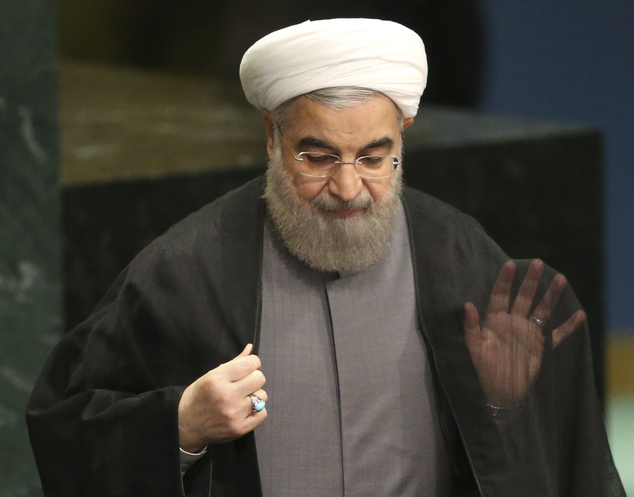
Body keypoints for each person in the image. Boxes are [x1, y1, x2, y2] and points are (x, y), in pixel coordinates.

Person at [27, 19, 624, 497]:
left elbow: (556, 460)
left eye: (372, 157)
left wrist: (506, 404)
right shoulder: (188, 272)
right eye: (317, 157)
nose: (347, 186)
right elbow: (65, 427)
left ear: (404, 136)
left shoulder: (462, 259)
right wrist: (180, 426)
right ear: (270, 136)